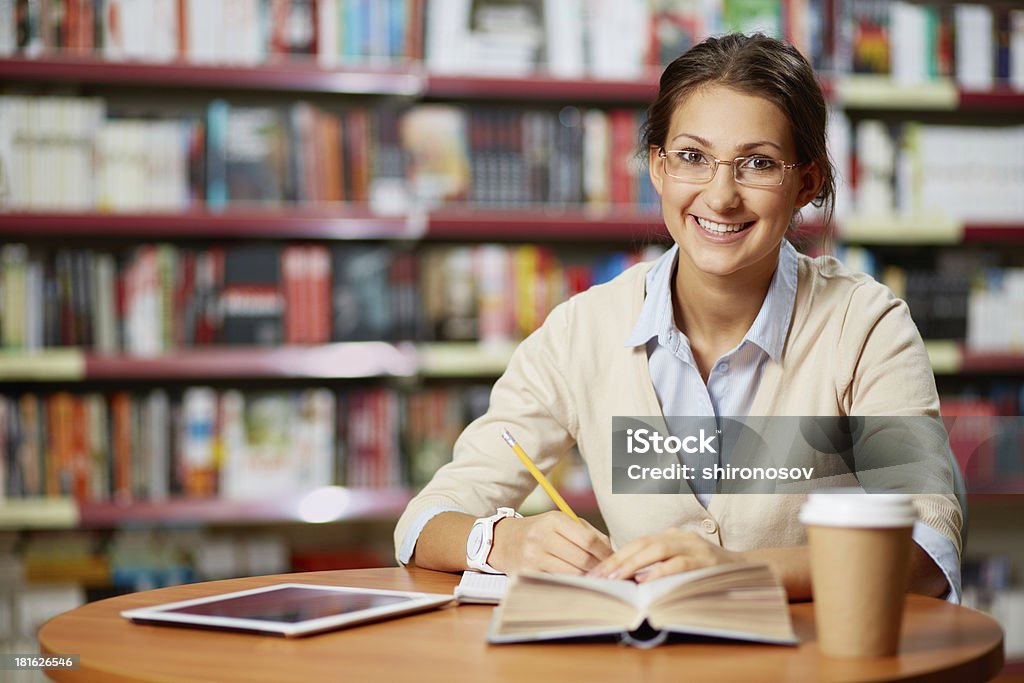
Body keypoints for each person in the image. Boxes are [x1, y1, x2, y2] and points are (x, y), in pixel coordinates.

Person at [394, 33, 961, 601]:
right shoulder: (582, 332)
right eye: (693, 157)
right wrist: (505, 541)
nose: (721, 197)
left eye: (758, 164)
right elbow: (425, 522)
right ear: (657, 167)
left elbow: (926, 550)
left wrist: (736, 571)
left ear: (805, 183)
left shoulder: (864, 327)